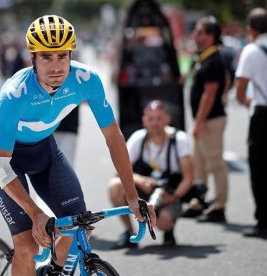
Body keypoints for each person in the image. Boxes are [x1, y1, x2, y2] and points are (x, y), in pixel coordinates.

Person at [0, 15, 156, 276]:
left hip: (44, 149)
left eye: (62, 56)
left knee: (81, 227)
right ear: (32, 57)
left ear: (71, 54)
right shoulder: (14, 94)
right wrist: (35, 213)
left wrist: (132, 196)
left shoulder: (86, 79)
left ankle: (52, 271)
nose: (56, 66)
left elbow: (113, 137)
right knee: (27, 245)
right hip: (7, 161)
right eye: (46, 57)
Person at [108, 100, 193, 247]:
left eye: (159, 118)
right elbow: (119, 170)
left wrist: (173, 197)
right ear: (144, 120)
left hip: (169, 192)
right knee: (114, 186)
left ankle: (169, 229)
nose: (155, 123)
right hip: (145, 189)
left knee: (163, 222)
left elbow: (188, 178)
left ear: (168, 119)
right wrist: (140, 180)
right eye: (151, 118)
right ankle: (130, 233)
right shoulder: (138, 138)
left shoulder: (179, 139)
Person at [186, 16, 229, 223]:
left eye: (200, 32)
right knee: (199, 163)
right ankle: (199, 201)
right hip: (204, 120)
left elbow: (209, 94)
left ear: (211, 36)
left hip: (210, 120)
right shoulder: (203, 56)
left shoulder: (214, 59)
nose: (196, 35)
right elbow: (225, 82)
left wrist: (199, 121)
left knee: (215, 163)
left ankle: (220, 206)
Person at [235, 7, 267, 238]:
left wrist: (249, 103)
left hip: (262, 115)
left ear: (250, 29)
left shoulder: (252, 50)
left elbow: (240, 90)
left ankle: (262, 221)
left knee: (259, 169)